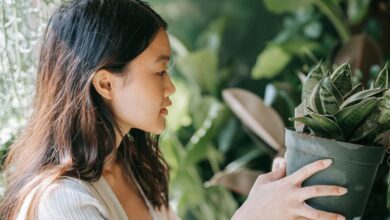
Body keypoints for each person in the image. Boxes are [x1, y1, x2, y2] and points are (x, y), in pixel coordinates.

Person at [0, 0, 348, 219]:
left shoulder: (136, 169)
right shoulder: (61, 203)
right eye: (160, 71)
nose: (172, 87)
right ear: (105, 83)